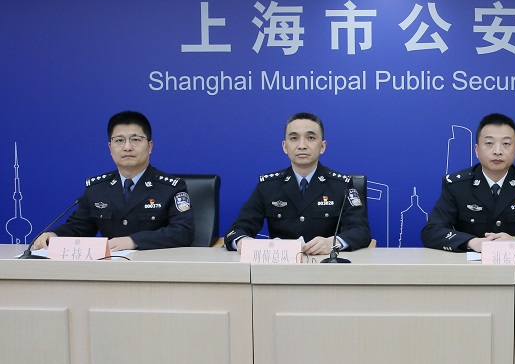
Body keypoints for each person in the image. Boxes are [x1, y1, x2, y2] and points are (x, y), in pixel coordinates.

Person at [33, 111, 194, 251]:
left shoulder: (170, 187)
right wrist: (54, 236)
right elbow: (79, 228)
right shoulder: (97, 189)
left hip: (154, 268)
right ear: (110, 148)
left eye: (135, 139)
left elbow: (183, 232)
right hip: (110, 270)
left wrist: (134, 241)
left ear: (150, 146)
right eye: (119, 140)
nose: (127, 147)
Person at [224, 112, 371, 254]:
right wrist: (242, 241)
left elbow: (361, 231)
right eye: (294, 138)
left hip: (326, 264)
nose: (302, 145)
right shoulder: (268, 186)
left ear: (322, 146)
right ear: (284, 146)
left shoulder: (341, 185)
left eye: (310, 138)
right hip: (280, 266)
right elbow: (237, 230)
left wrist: (333, 243)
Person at [421, 113, 515, 252]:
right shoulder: (457, 186)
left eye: (506, 144)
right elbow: (432, 231)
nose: (497, 151)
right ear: (477, 150)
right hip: (470, 266)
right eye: (489, 143)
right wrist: (471, 242)